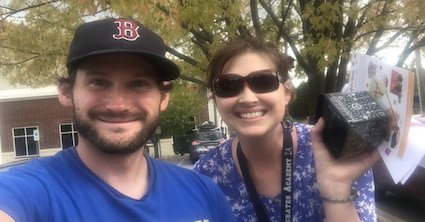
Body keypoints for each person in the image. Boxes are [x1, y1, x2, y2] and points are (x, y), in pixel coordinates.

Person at [0, 18, 236, 222]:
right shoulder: (27, 191)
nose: (119, 105)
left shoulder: (203, 192)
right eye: (99, 82)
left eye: (138, 84)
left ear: (163, 98)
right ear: (66, 92)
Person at [193, 38, 380, 222]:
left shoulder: (335, 150)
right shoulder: (205, 175)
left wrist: (337, 187)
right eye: (228, 86)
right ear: (216, 100)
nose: (248, 98)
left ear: (286, 94)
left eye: (263, 81)